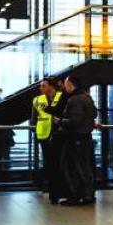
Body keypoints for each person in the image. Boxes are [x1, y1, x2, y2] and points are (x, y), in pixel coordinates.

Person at [55, 74, 97, 206]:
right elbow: (93, 114)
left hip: (75, 138)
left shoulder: (75, 99)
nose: (64, 87)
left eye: (66, 84)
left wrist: (60, 121)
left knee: (71, 166)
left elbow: (75, 120)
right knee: (84, 167)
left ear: (71, 85)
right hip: (85, 137)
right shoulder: (87, 97)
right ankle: (88, 195)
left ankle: (78, 195)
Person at [32, 77, 65, 202]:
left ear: (52, 86)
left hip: (59, 134)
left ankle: (55, 190)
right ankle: (52, 192)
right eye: (40, 86)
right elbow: (34, 118)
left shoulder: (62, 96)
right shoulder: (37, 100)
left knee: (57, 163)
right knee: (49, 163)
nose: (41, 88)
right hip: (44, 135)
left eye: (43, 86)